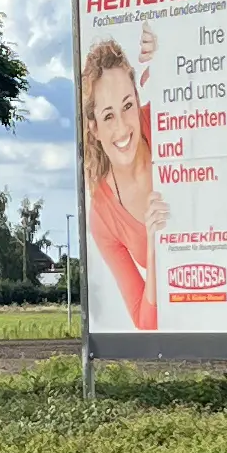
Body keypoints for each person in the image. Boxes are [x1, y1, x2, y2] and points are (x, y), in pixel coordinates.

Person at [80, 36, 158, 330]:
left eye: (127, 106)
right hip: (185, 316)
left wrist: (167, 51)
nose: (123, 127)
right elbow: (144, 320)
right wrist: (156, 248)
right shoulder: (103, 217)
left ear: (138, 100)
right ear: (94, 128)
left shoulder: (165, 124)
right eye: (108, 116)